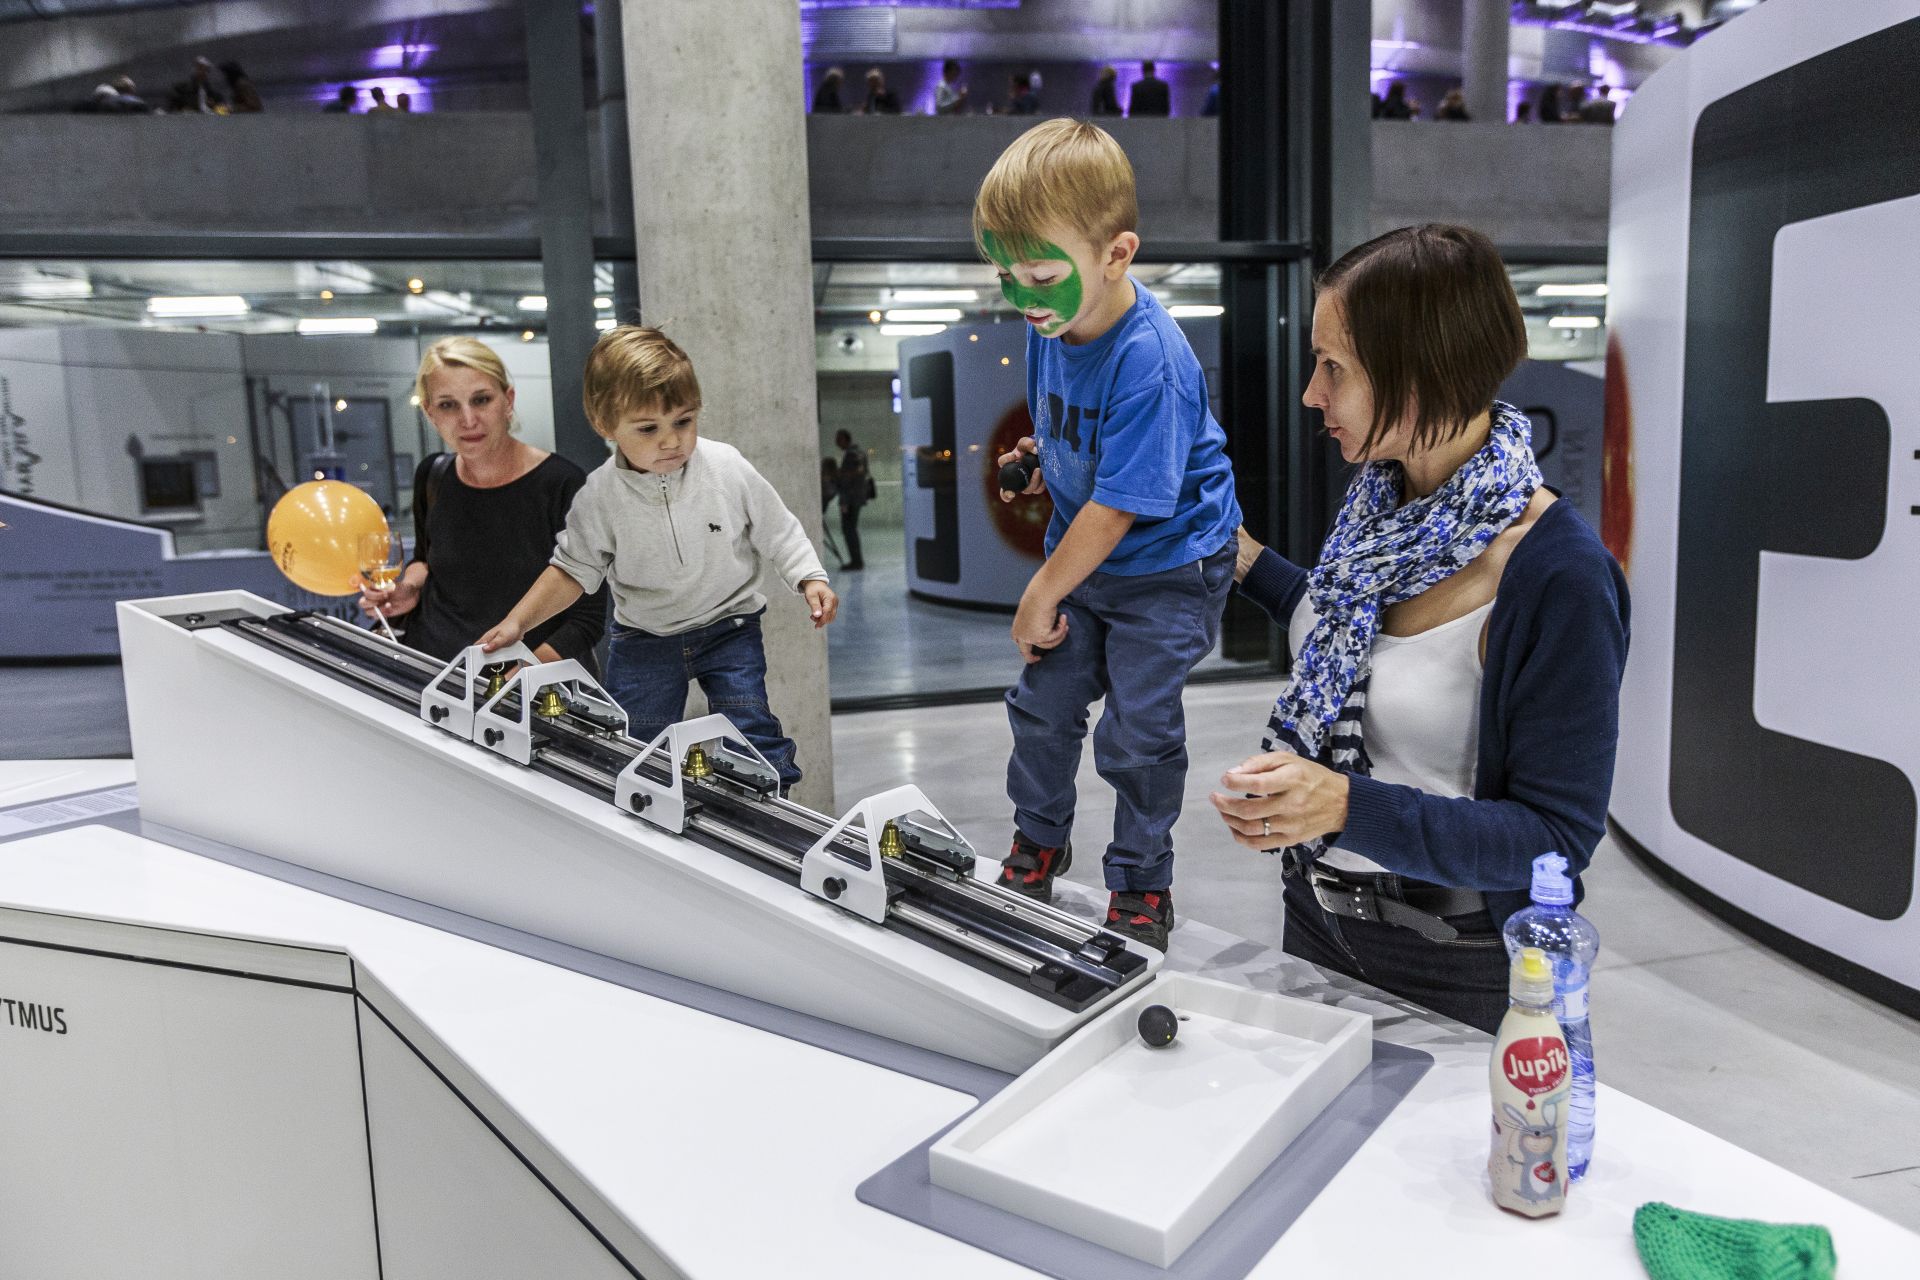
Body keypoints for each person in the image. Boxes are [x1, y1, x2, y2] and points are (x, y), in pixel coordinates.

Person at [1209, 224, 1629, 1033]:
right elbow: (1347, 629)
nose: (1312, 394)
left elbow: (1553, 838)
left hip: (1456, 964)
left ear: (1419, 374)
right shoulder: (1386, 513)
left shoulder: (1559, 576)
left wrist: (1344, 805)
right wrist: (1242, 558)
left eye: (1334, 367)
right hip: (1315, 916)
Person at [975, 120, 1241, 950]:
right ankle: (1039, 841)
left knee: (1138, 734)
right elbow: (1080, 435)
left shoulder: (1150, 358)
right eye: (1007, 276)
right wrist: (1042, 458)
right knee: (1043, 709)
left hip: (1169, 567)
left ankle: (1142, 880)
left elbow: (1120, 507)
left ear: (1117, 255)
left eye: (1042, 276)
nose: (1024, 297)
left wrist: (1038, 593)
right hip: (1092, 553)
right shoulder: (1051, 326)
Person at [478, 327, 837, 794]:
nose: (671, 441)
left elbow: (777, 528)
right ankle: (637, 803)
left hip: (729, 625)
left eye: (683, 421)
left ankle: (770, 798)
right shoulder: (600, 496)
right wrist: (518, 623)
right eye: (648, 428)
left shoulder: (726, 466)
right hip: (644, 637)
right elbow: (571, 571)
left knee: (748, 723)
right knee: (634, 738)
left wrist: (809, 578)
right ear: (606, 425)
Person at [358, 337, 607, 676]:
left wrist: (524, 673)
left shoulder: (563, 484)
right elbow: (426, 560)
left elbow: (587, 618)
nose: (468, 419)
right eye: (448, 405)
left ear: (508, 400)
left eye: (481, 400)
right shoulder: (433, 475)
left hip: (523, 688)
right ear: (430, 413)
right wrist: (409, 588)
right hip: (431, 674)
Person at [834, 429, 869, 571]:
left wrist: (844, 502)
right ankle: (857, 560)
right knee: (851, 529)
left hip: (850, 499)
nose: (836, 442)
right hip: (857, 497)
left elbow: (847, 480)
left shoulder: (850, 455)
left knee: (848, 530)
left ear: (845, 439)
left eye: (839, 439)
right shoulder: (860, 453)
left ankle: (856, 561)